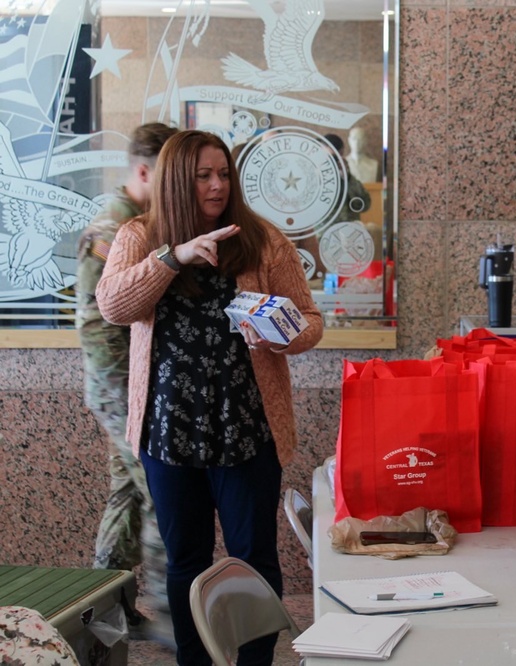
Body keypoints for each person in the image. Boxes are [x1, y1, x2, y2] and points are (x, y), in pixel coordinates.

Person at [95, 130, 322, 665]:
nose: (218, 185)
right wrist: (172, 258)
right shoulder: (139, 235)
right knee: (185, 561)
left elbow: (310, 323)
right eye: (204, 176)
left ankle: (253, 662)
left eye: (224, 173)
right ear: (177, 180)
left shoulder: (261, 239)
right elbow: (113, 304)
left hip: (247, 425)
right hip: (168, 429)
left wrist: (281, 331)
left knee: (255, 558)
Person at [75, 121, 178, 647]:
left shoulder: (141, 222)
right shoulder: (113, 228)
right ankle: (166, 616)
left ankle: (105, 611)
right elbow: (95, 323)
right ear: (143, 171)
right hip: (120, 388)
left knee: (127, 495)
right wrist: (126, 393)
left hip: (131, 387)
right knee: (160, 492)